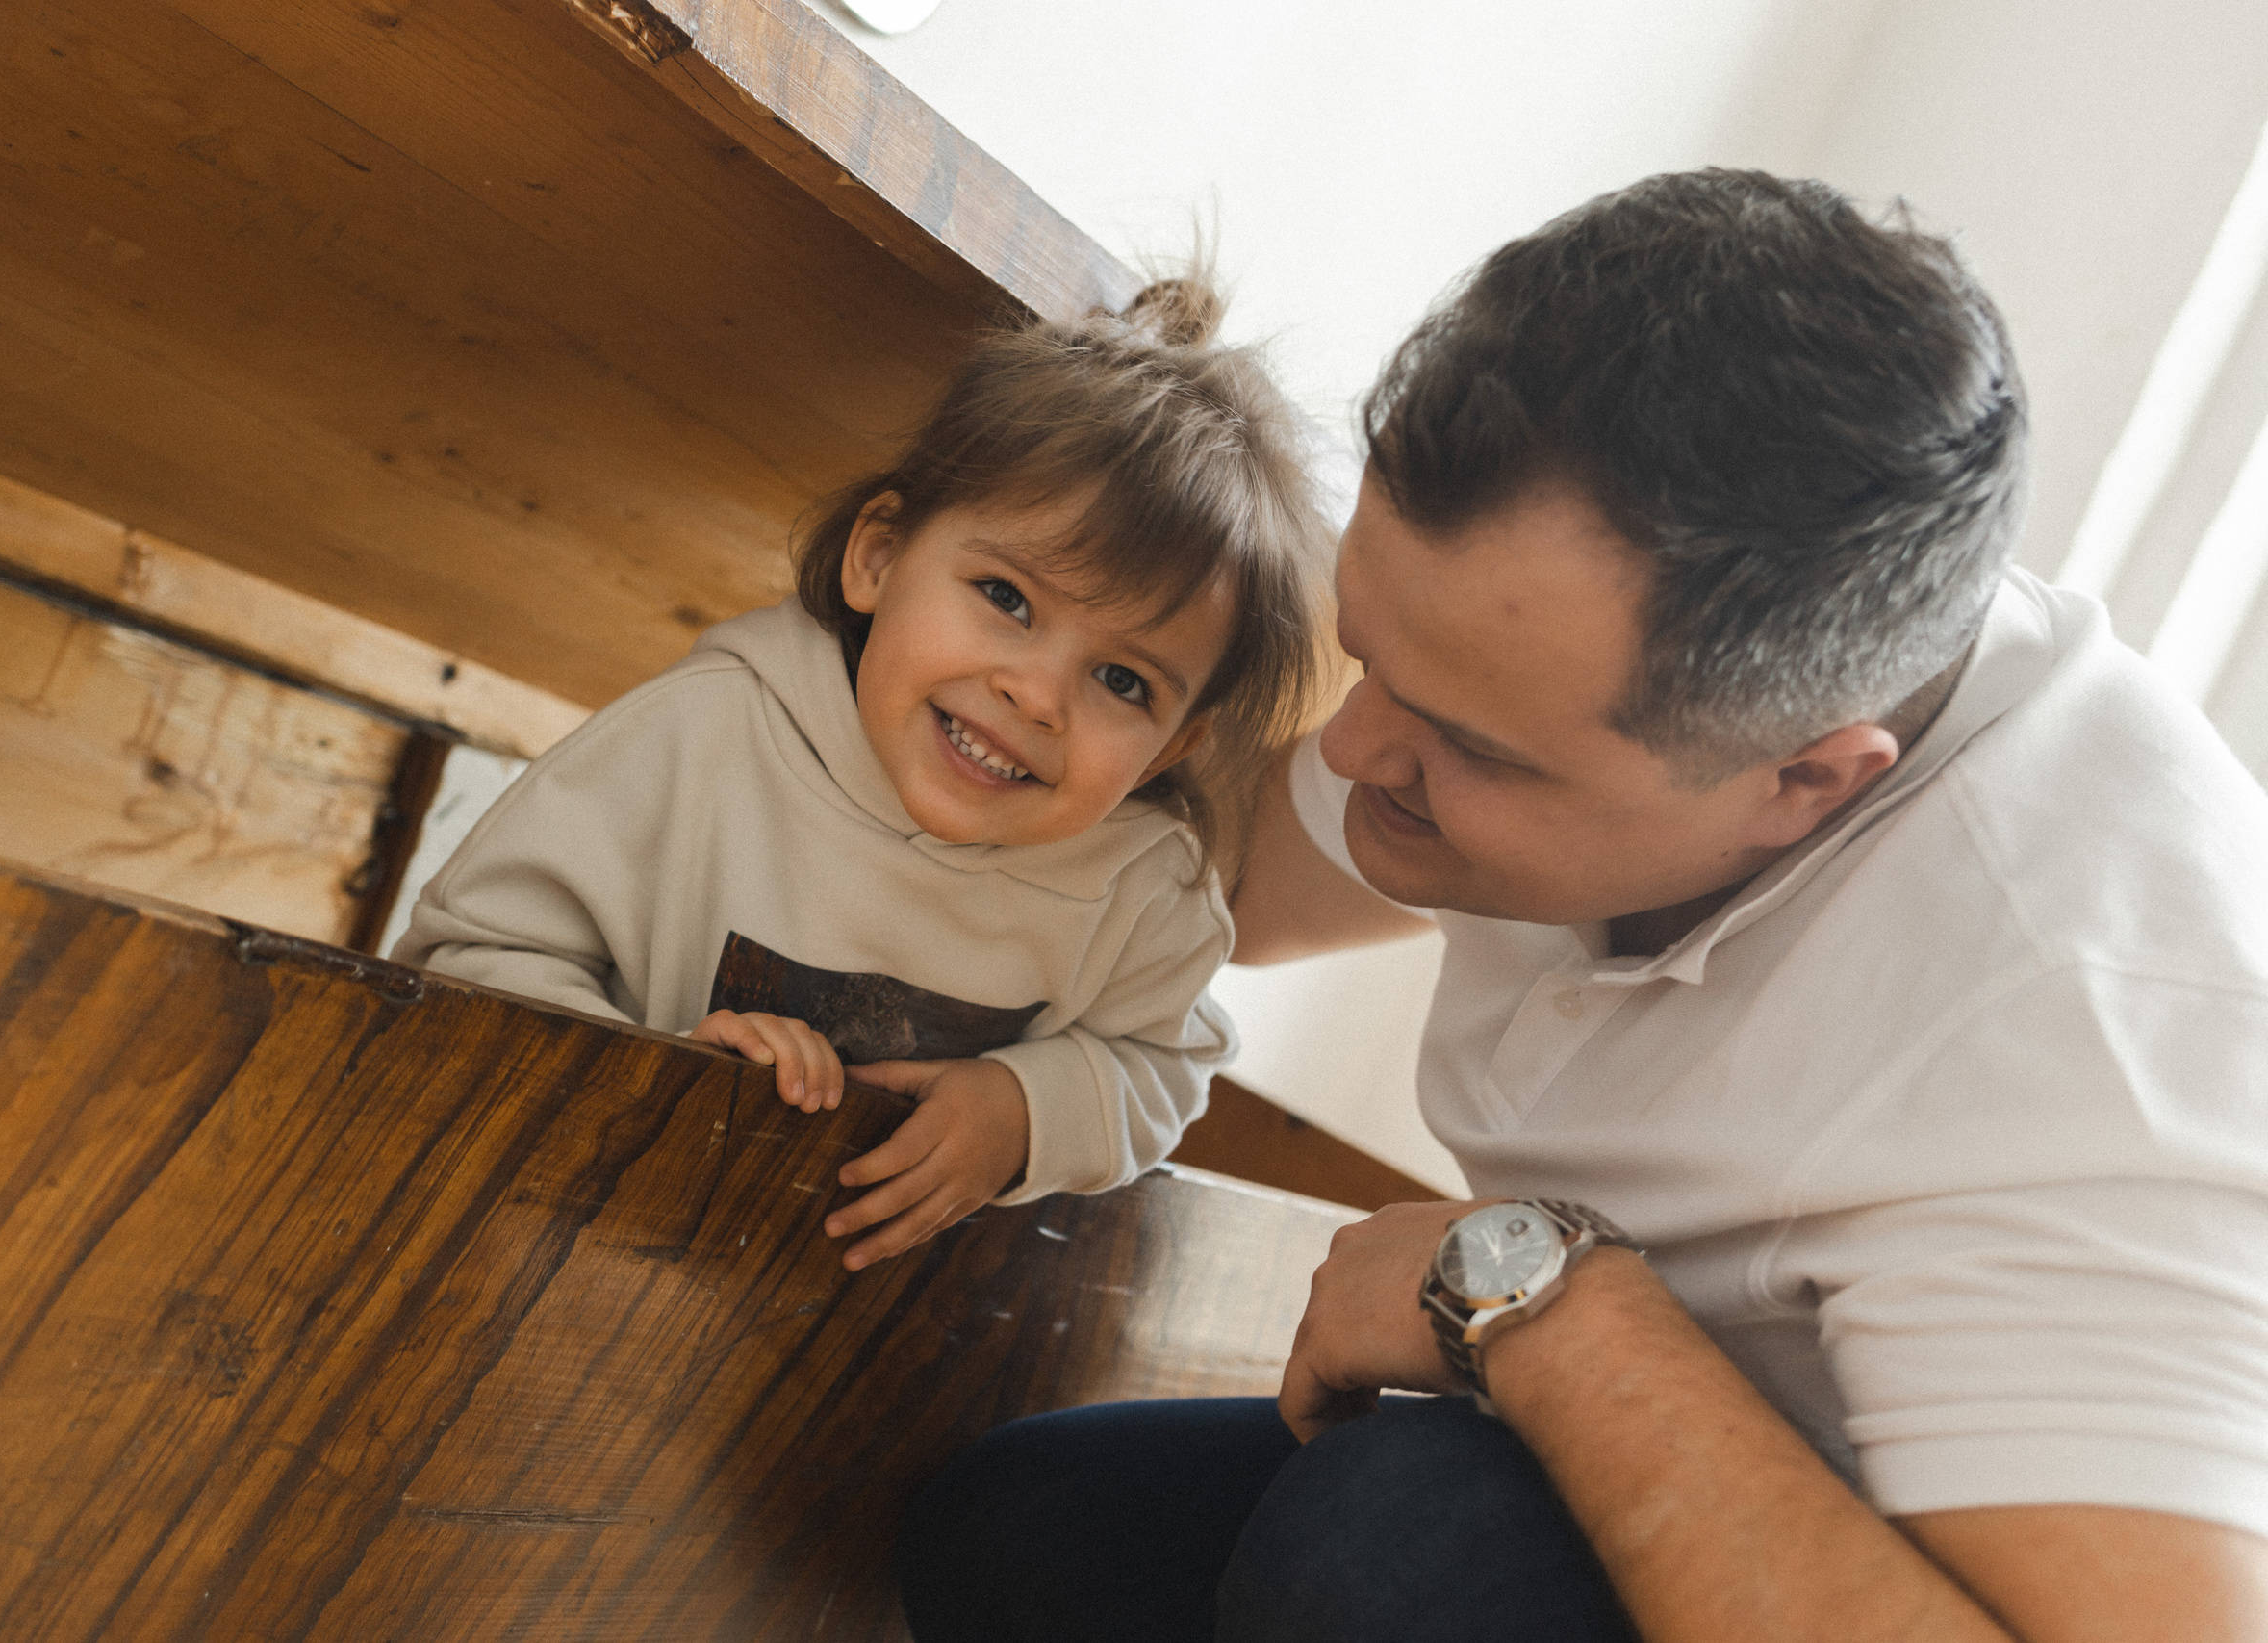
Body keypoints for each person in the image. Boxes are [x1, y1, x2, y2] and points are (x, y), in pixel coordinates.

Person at [899, 171, 2268, 1640]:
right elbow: (1197, 871)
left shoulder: (2097, 1038)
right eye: (1369, 655)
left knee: (1393, 1545)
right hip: (1636, 1483)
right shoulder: (1589, 655)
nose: (1350, 752)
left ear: (1801, 781)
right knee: (1028, 1535)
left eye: (1472, 750)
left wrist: (1543, 1303)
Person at [394, 278, 1325, 1271]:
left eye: (1120, 680)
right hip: (563, 1238)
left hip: (852, 1325)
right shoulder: (705, 734)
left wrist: (1025, 1112)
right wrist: (654, 1075)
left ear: (1175, 745)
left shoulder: (1145, 891)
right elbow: (464, 956)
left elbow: (1160, 1067)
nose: (1039, 695)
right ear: (877, 557)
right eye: (1007, 597)